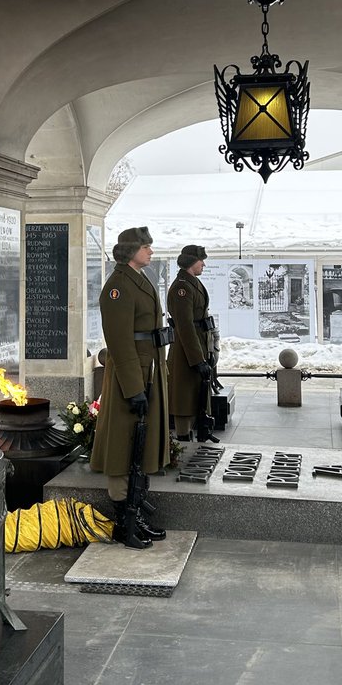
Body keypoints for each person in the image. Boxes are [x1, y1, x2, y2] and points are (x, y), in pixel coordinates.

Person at [90, 226, 170, 548]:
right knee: (125, 451)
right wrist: (134, 387)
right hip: (131, 378)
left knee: (141, 449)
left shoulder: (138, 279)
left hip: (147, 372)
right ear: (131, 249)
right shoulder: (118, 286)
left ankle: (136, 516)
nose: (151, 251)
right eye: (145, 246)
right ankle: (124, 523)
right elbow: (120, 342)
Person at [167, 245, 215, 442]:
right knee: (184, 397)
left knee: (196, 394)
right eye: (200, 260)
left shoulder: (192, 283)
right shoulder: (182, 287)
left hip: (198, 345)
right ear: (190, 262)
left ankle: (197, 432)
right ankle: (183, 438)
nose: (203, 263)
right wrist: (197, 360)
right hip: (186, 350)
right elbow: (185, 326)